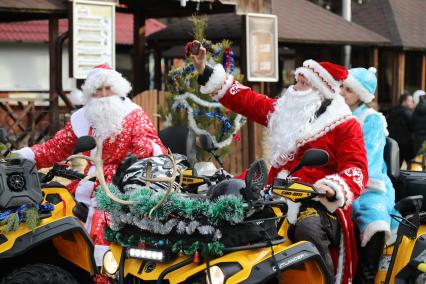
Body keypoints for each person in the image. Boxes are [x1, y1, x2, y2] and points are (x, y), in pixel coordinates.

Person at [190, 42, 368, 284]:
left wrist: (332, 187)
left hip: (318, 202)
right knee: (227, 207)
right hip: (274, 189)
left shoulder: (345, 125)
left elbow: (356, 169)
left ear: (320, 91)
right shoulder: (287, 111)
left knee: (309, 229)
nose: (294, 88)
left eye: (303, 84)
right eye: (297, 81)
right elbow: (248, 100)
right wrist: (204, 69)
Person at [14, 64, 167, 265]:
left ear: (117, 89)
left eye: (107, 88)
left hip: (122, 187)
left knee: (104, 230)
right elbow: (56, 147)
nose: (103, 94)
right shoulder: (82, 118)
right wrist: (25, 156)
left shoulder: (133, 115)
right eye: (98, 90)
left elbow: (159, 150)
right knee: (52, 216)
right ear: (90, 93)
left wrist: (144, 147)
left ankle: (104, 273)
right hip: (87, 182)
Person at [341, 67, 399, 283]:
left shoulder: (371, 119)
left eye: (348, 89)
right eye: (342, 87)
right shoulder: (336, 116)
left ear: (361, 94)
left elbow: (371, 159)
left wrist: (352, 184)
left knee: (374, 219)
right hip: (340, 181)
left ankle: (366, 277)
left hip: (369, 184)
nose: (342, 92)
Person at [386, 93, 415, 165]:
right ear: (404, 101)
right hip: (406, 144)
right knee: (412, 165)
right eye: (410, 100)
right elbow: (413, 127)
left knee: (395, 166)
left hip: (394, 143)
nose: (412, 103)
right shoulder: (408, 112)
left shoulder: (391, 112)